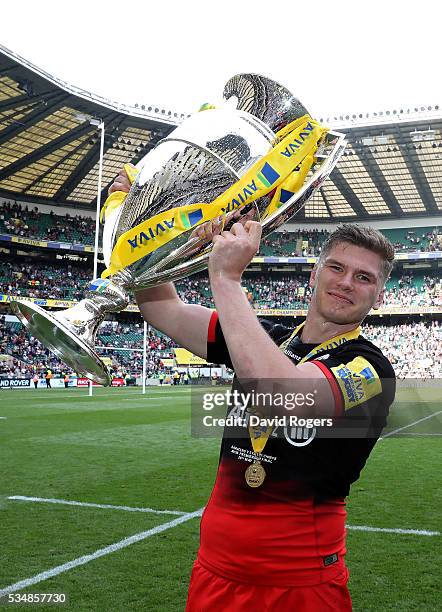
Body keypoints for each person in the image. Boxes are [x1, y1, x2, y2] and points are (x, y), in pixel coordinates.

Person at [110, 168, 396, 611]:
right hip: (215, 572)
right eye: (336, 267)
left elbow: (281, 391)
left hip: (298, 584)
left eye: (364, 278)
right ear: (314, 274)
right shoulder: (264, 336)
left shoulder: (370, 367)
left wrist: (226, 279)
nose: (345, 282)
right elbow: (161, 306)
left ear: (379, 297)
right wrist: (139, 222)